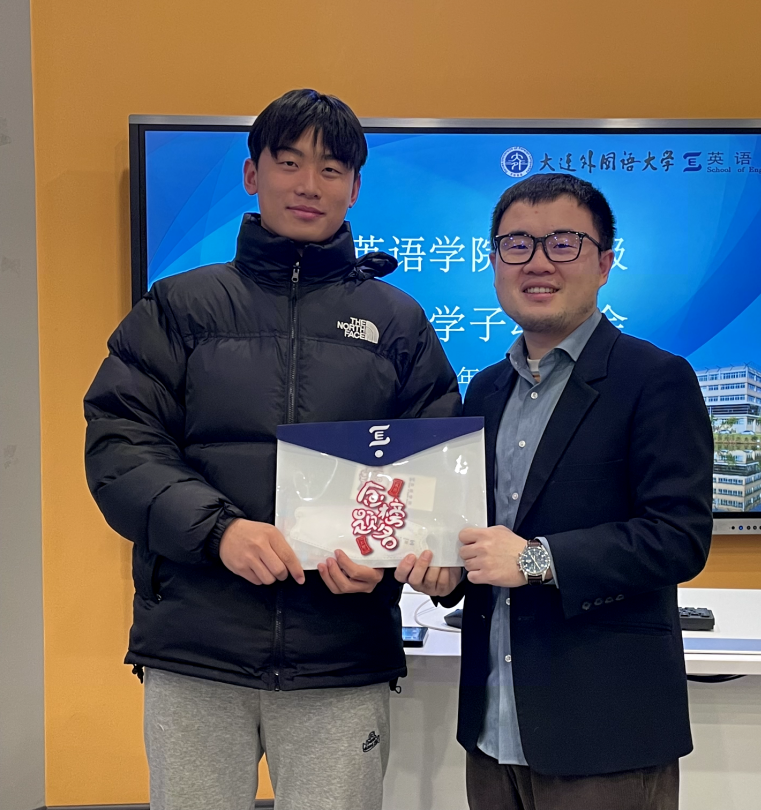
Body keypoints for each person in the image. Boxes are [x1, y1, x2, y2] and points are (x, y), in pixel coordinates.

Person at [84, 89, 460, 810]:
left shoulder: (398, 323)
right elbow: (120, 446)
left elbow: (433, 475)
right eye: (289, 162)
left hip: (340, 658)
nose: (308, 184)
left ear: (354, 186)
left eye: (330, 168)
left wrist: (392, 562)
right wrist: (219, 531)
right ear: (252, 174)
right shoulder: (178, 307)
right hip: (198, 650)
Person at [397, 173, 713, 810]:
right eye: (517, 245)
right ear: (494, 263)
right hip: (491, 730)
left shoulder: (655, 378)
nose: (538, 263)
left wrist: (537, 559)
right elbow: (478, 535)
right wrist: (445, 574)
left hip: (603, 732)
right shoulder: (485, 389)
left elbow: (678, 538)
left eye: (563, 243)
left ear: (604, 263)